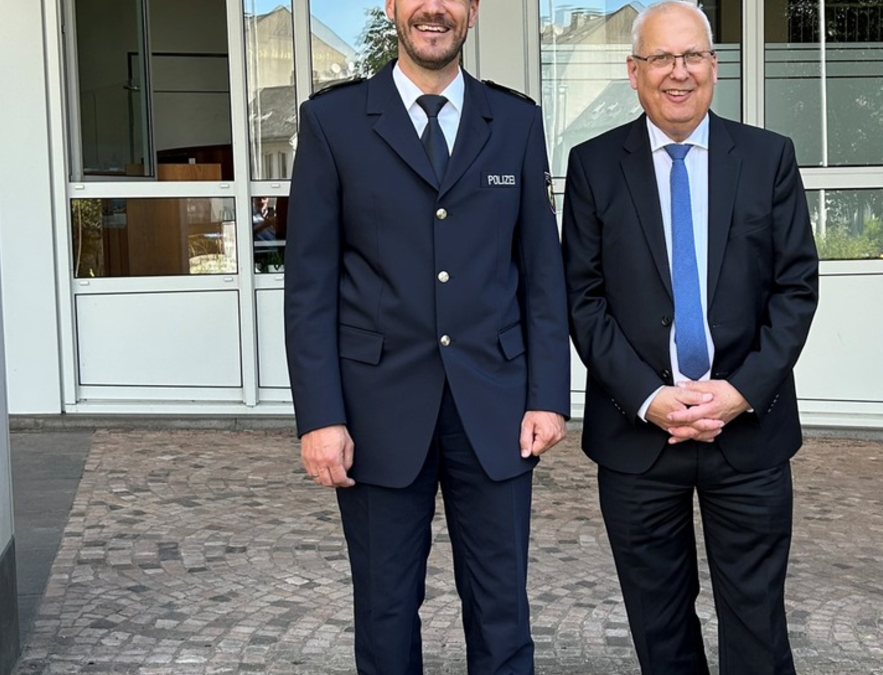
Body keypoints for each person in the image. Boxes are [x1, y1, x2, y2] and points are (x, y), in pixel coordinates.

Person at [282, 0, 570, 671]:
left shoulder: (517, 121)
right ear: (391, 6)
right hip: (376, 409)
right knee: (385, 611)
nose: (432, 9)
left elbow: (541, 275)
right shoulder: (333, 122)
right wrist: (321, 416)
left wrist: (548, 395)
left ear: (471, 10)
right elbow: (310, 286)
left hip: (496, 409)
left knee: (502, 610)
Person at [560, 2, 819, 673]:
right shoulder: (593, 166)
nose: (679, 73)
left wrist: (740, 391)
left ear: (714, 65)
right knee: (660, 625)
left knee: (756, 623)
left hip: (749, 431)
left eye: (693, 56)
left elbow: (795, 289)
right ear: (634, 72)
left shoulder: (768, 158)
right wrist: (649, 396)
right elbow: (582, 301)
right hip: (637, 433)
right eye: (661, 59)